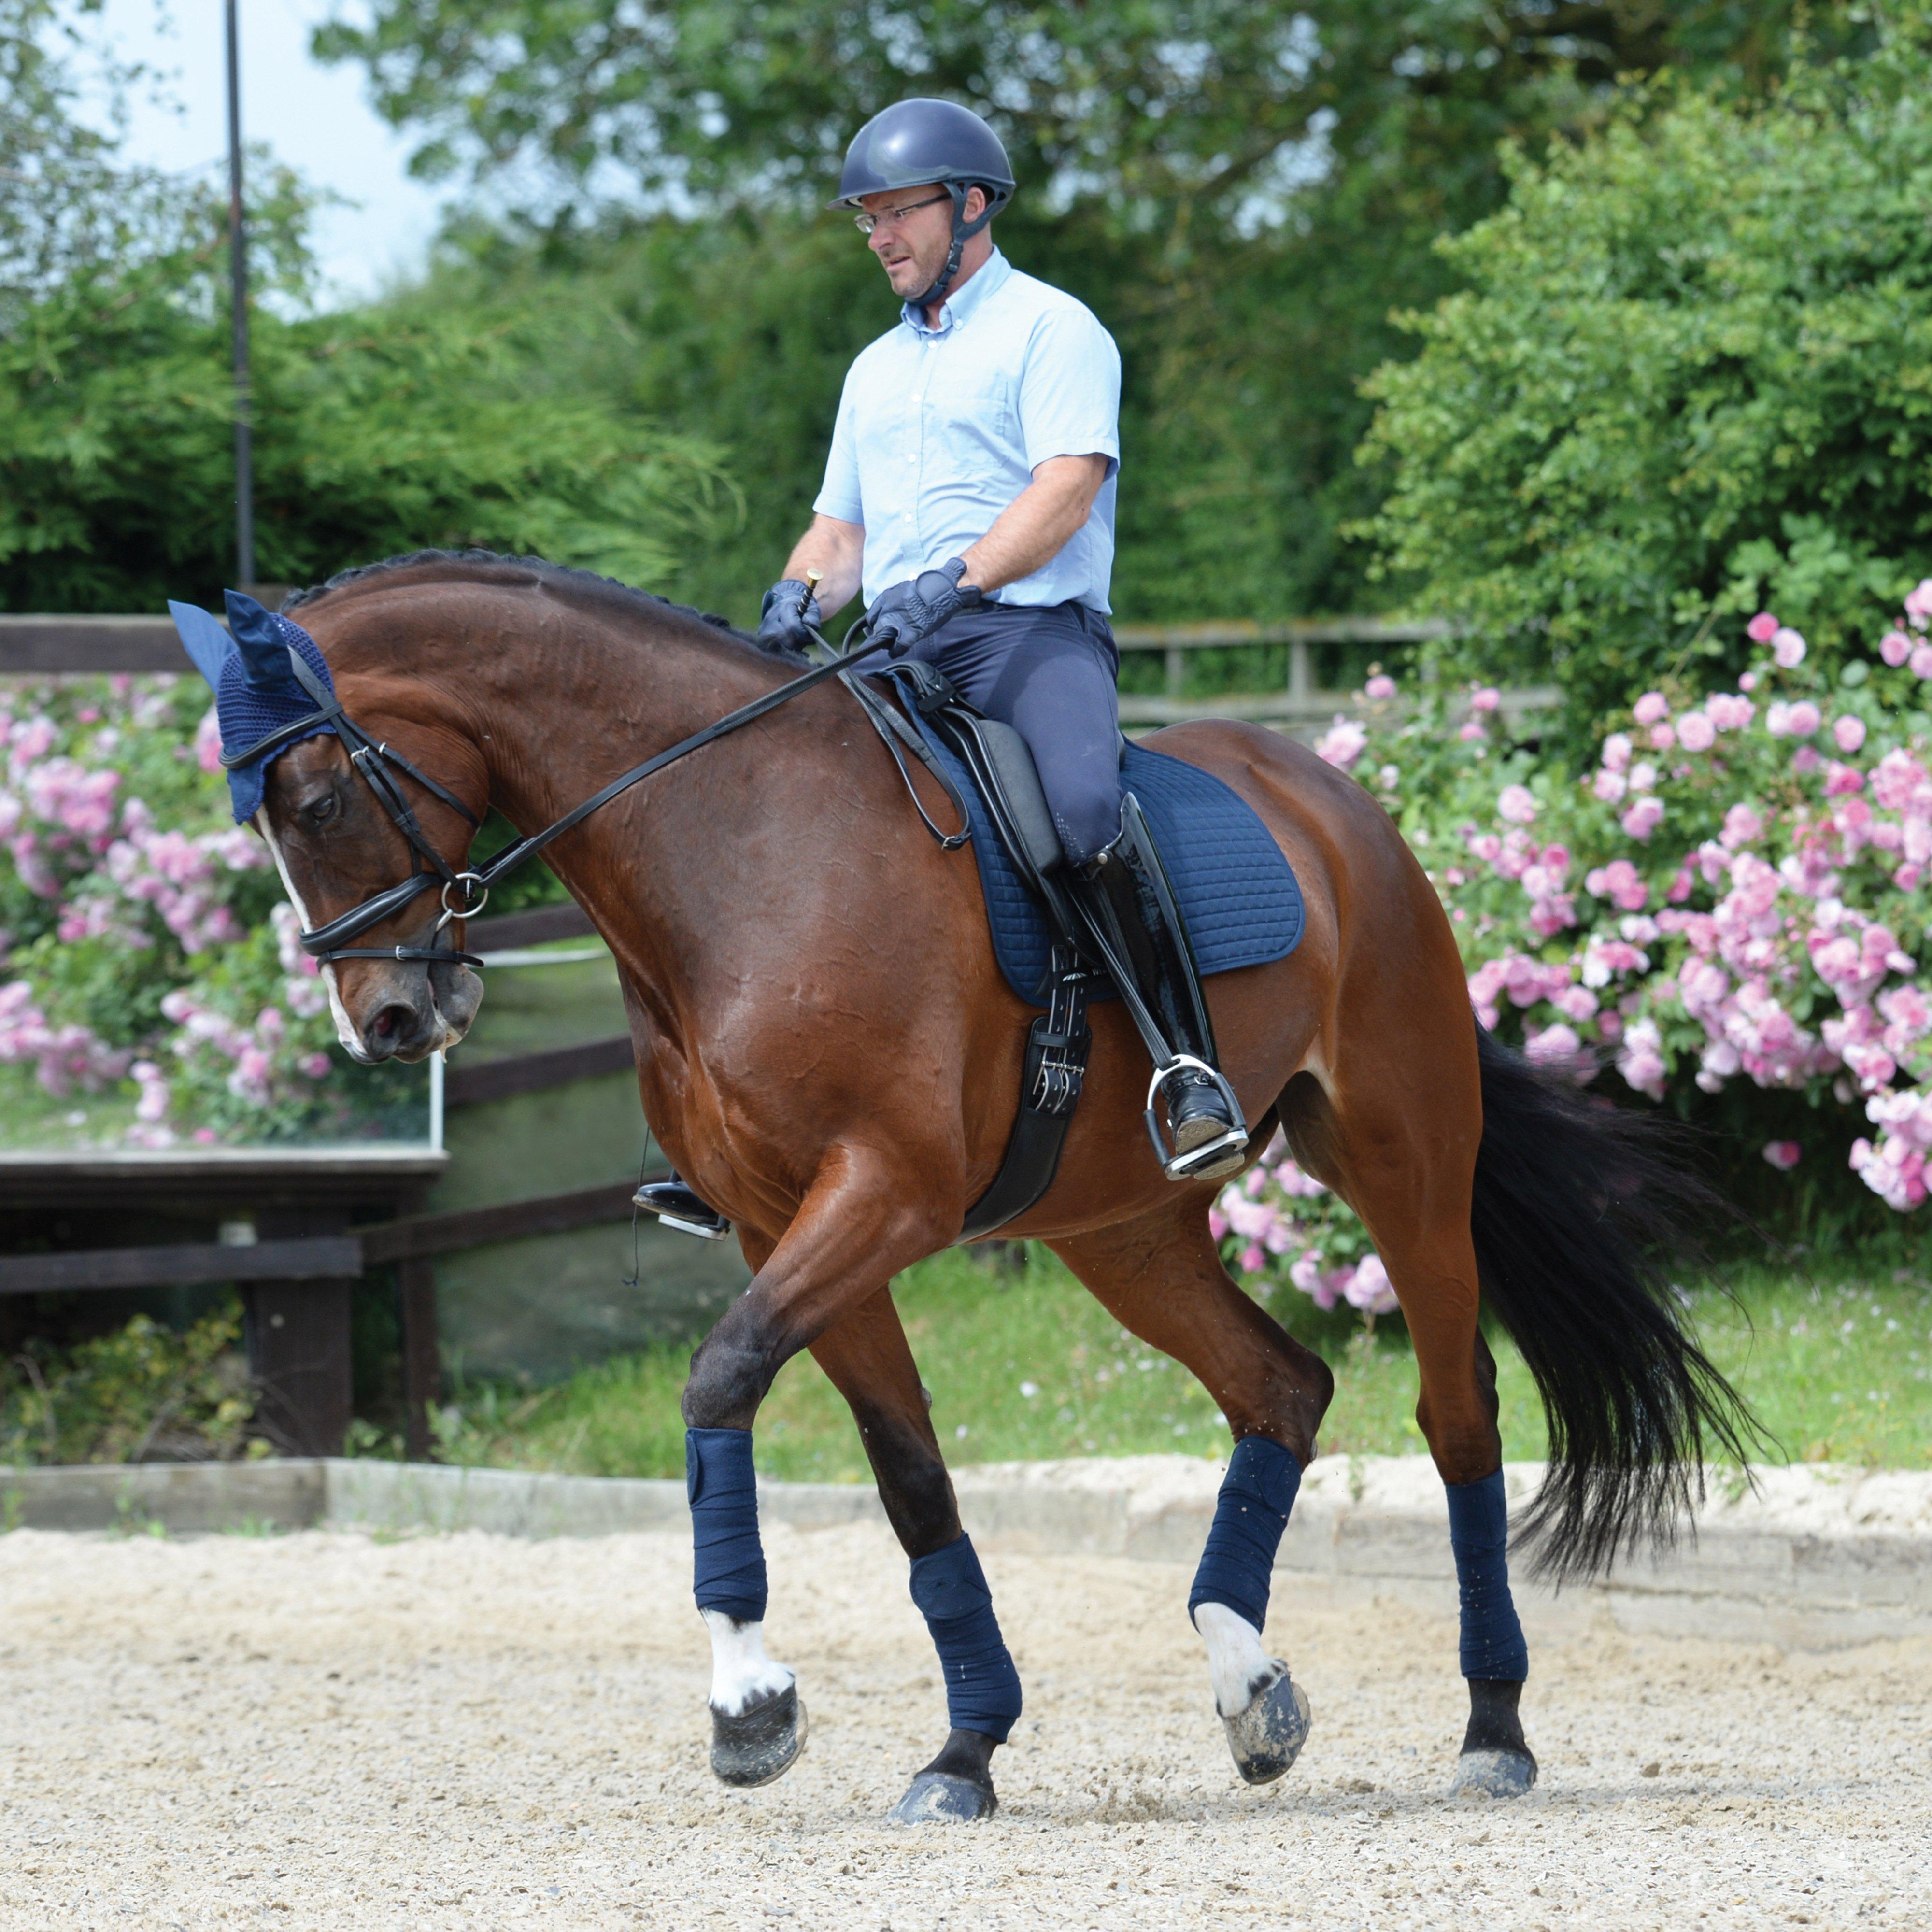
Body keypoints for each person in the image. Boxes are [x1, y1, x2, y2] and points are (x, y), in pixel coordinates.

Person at [637, 98, 1245, 1243]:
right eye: (864, 216)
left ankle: (1181, 1065)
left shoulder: (1053, 329)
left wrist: (957, 579)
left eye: (894, 210)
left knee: (1079, 808)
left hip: (1023, 635)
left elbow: (1065, 489)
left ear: (968, 206)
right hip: (892, 644)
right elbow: (839, 533)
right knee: (754, 811)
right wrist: (796, 593)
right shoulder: (871, 370)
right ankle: (717, 1133)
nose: (876, 234)